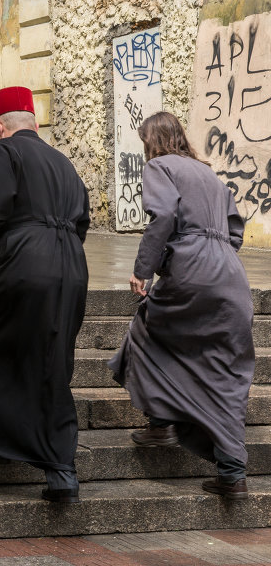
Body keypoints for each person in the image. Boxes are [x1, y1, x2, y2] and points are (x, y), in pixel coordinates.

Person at [0, 86, 91, 503]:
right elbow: (82, 218)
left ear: (1, 126)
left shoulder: (3, 152)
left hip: (25, 259)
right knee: (51, 361)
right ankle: (60, 470)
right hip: (71, 266)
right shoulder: (64, 162)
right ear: (34, 121)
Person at [109, 111, 254, 499]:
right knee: (224, 366)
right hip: (230, 273)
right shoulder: (208, 173)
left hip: (192, 267)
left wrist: (146, 269)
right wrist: (215, 255)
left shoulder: (160, 166)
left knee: (144, 330)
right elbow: (235, 231)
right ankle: (232, 473)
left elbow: (164, 216)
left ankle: (160, 422)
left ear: (151, 142)